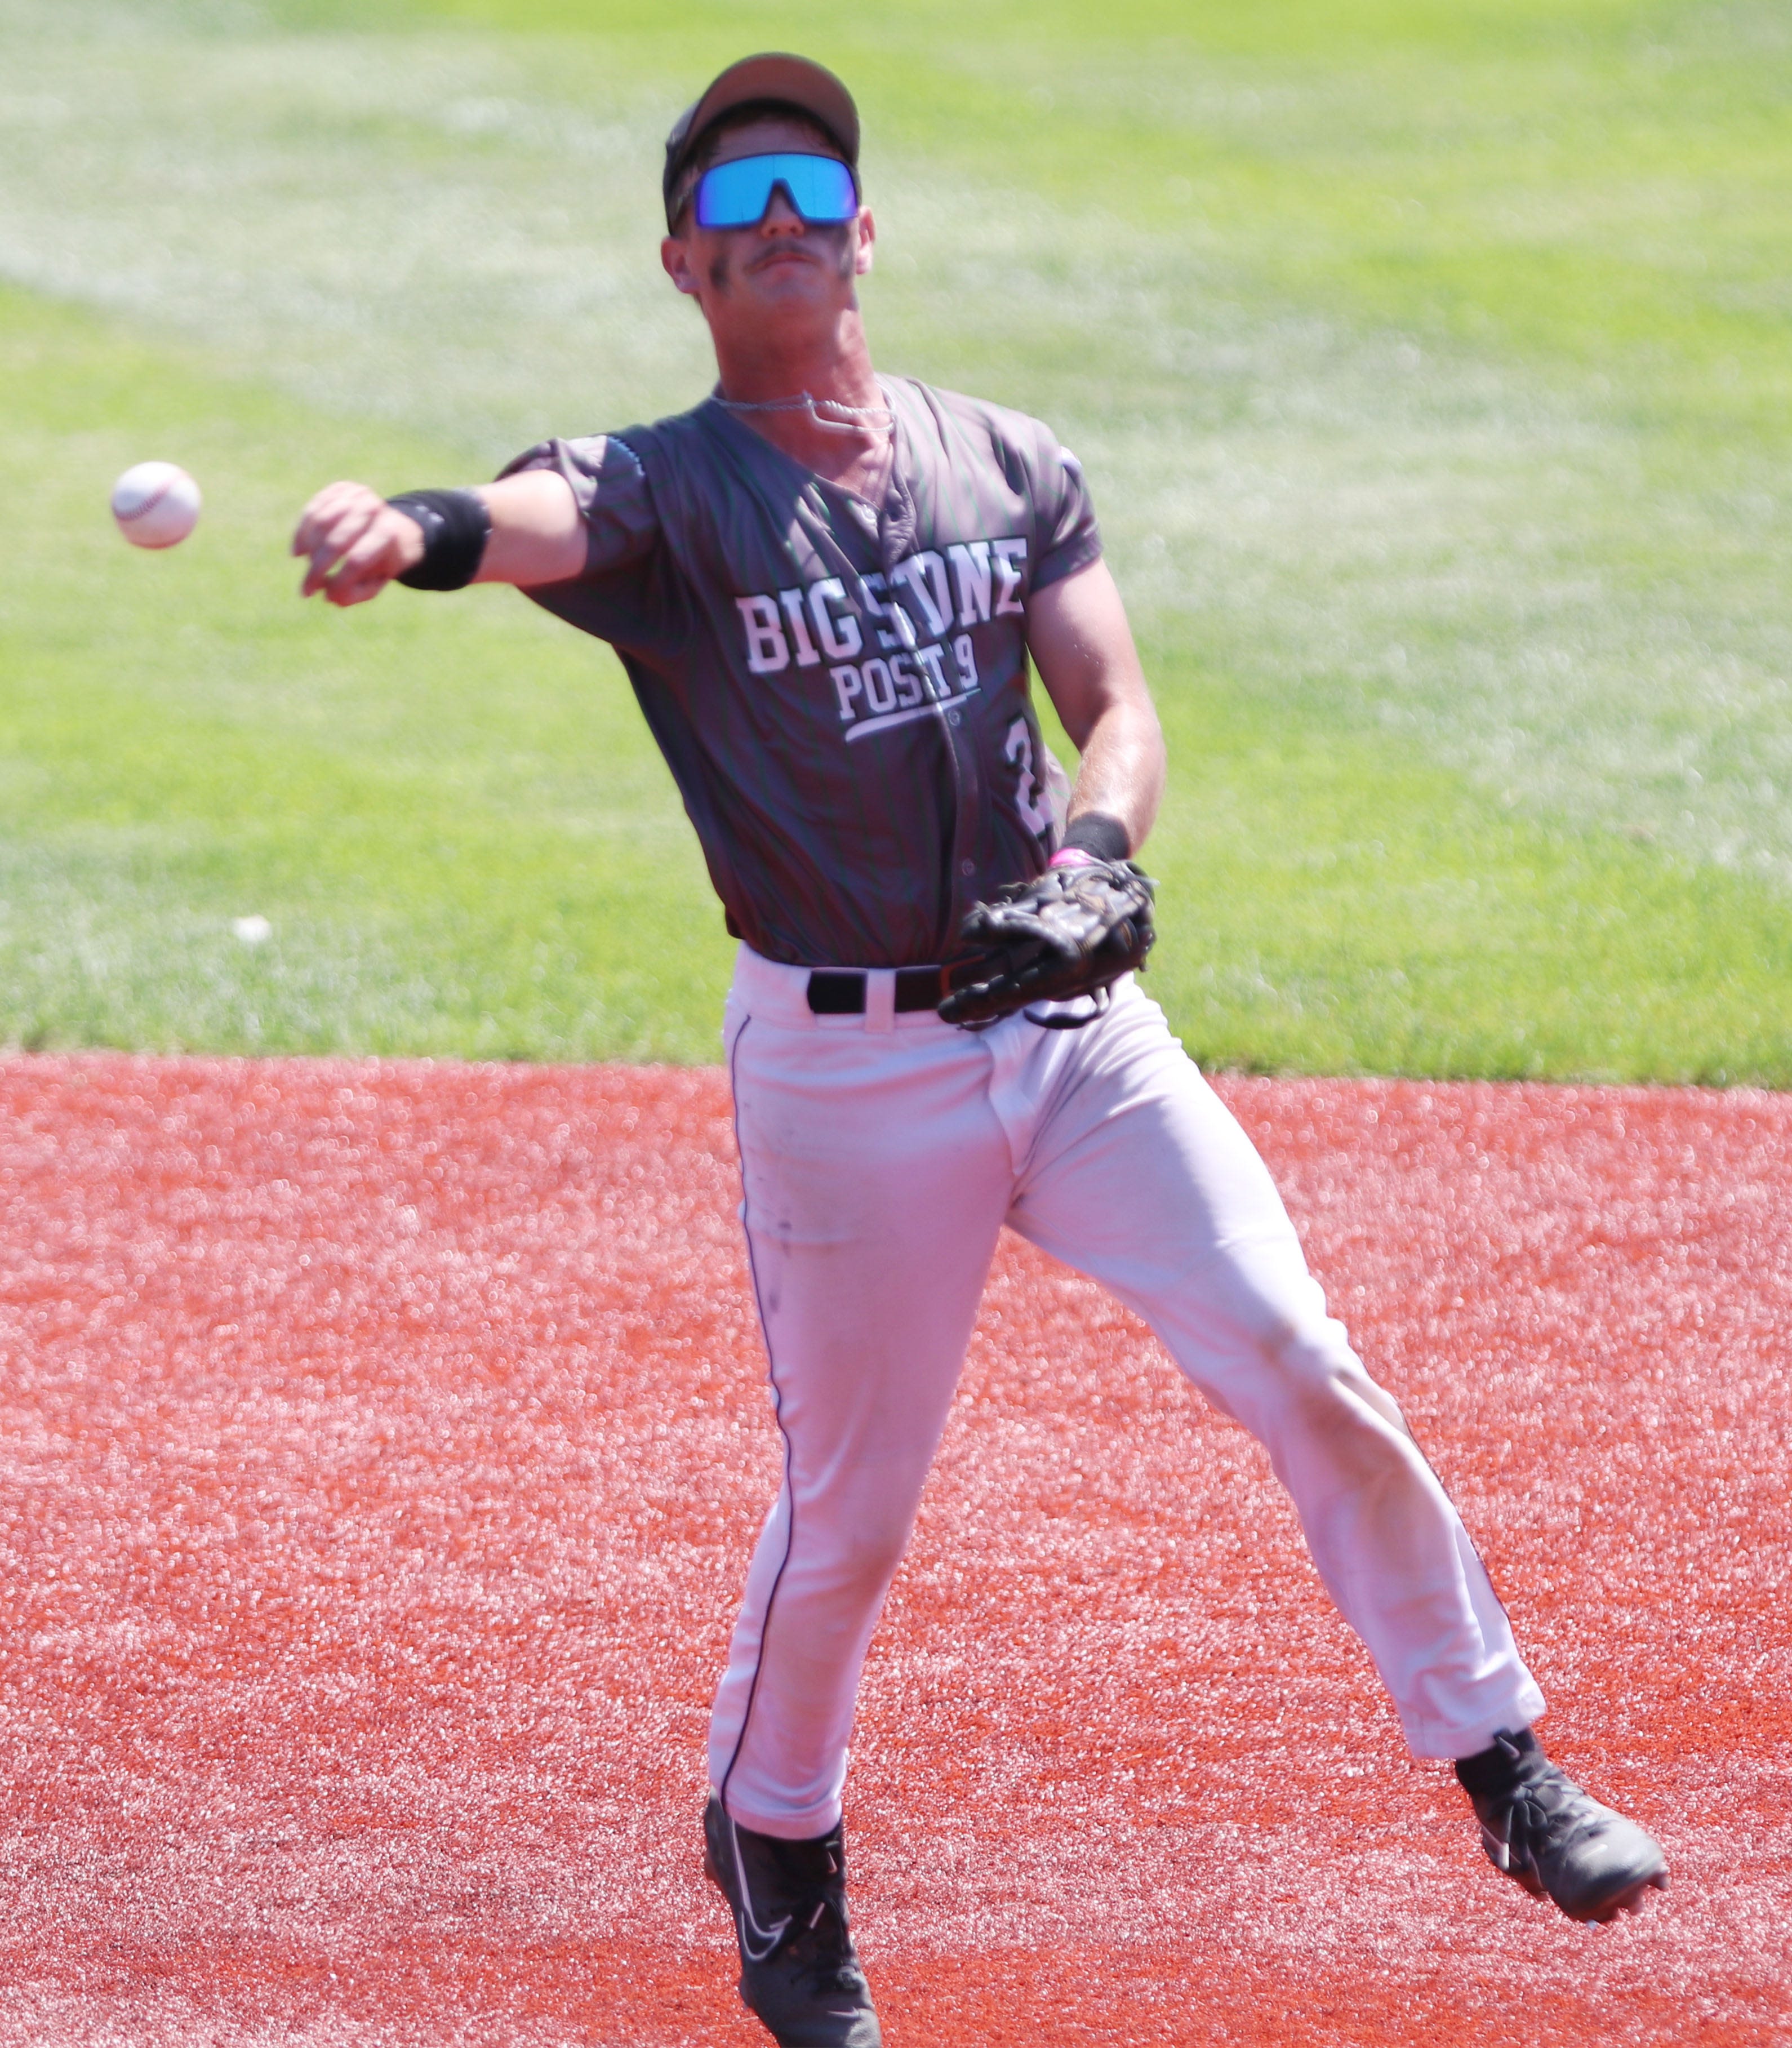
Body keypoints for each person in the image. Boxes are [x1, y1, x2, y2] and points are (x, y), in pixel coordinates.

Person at [290, 54, 1668, 2048]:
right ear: (684, 260)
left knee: (1301, 1353)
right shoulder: (670, 490)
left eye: (811, 186)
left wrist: (1098, 858)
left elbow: (1118, 703)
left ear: (865, 234)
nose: (779, 217)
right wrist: (396, 526)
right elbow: (517, 518)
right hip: (847, 1074)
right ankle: (776, 1836)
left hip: (1074, 1032)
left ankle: (1507, 1766)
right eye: (737, 195)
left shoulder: (1007, 459)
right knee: (852, 1508)